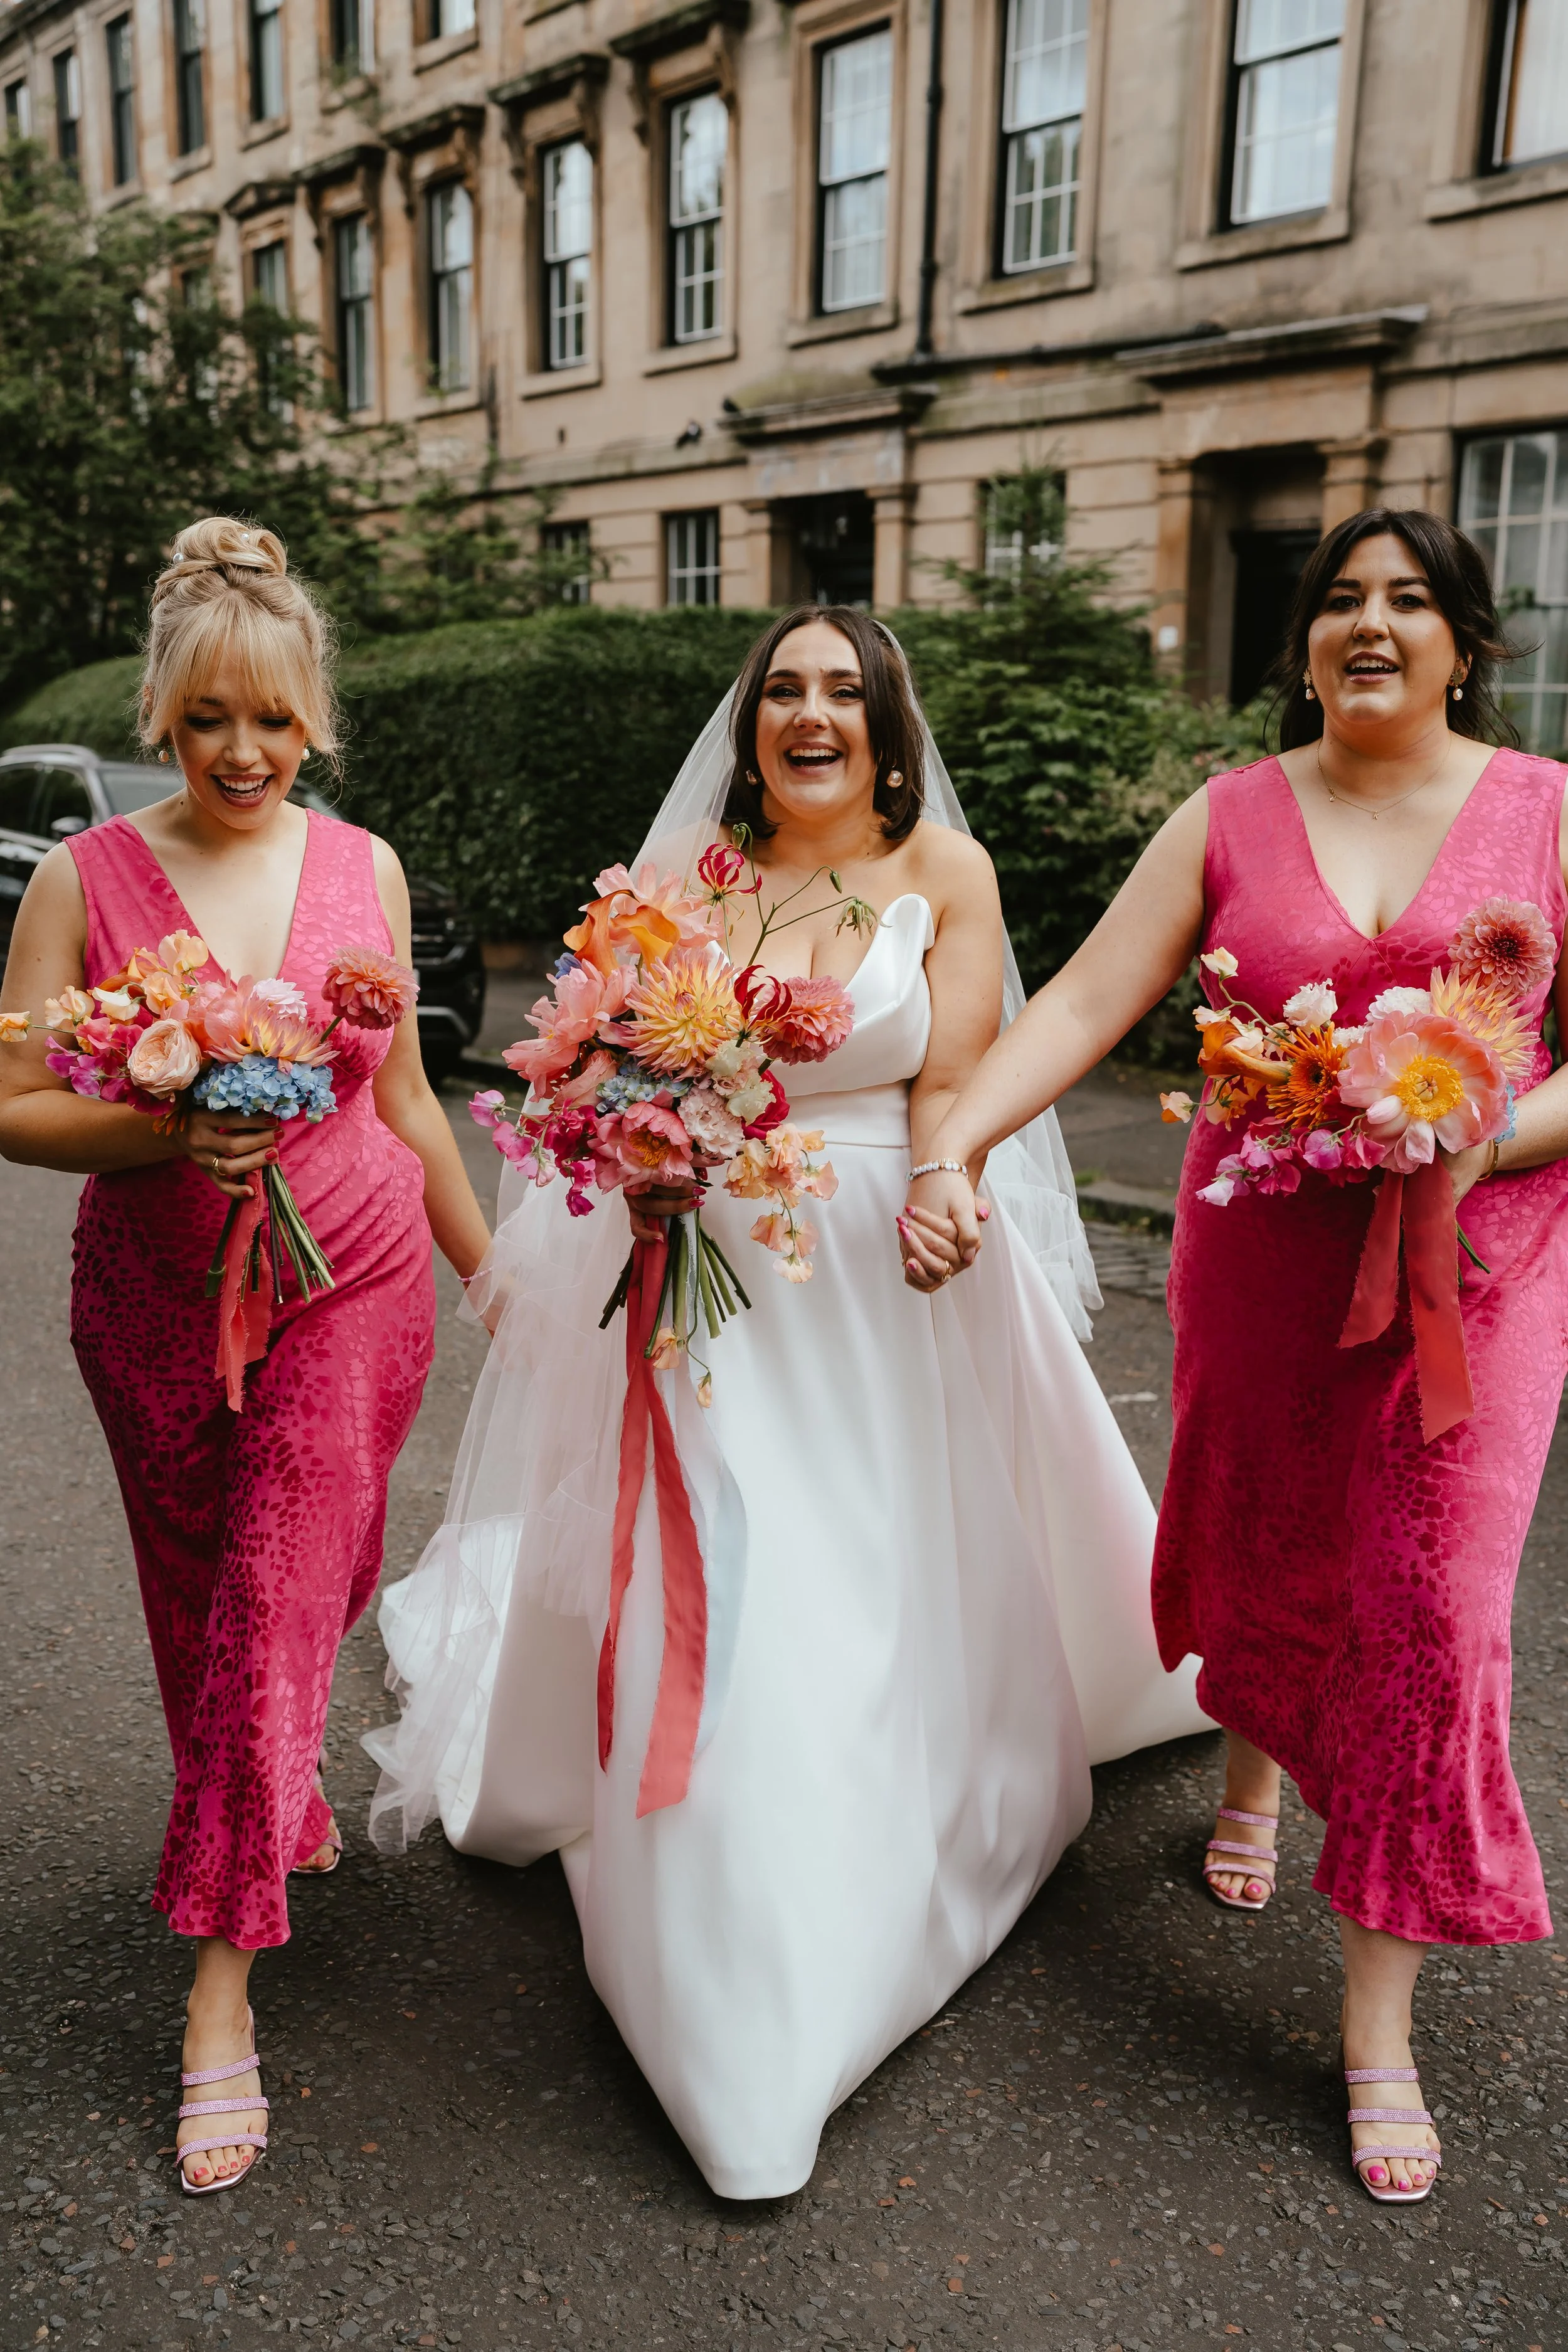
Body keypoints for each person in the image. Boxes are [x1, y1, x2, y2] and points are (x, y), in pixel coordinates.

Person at [367, 604, 1208, 2200]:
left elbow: (953, 1078)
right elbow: (596, 1067)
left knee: (877, 1577)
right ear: (747, 727)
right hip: (698, 1279)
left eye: (842, 690)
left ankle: (905, 1833)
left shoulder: (938, 878)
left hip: (879, 1275)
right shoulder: (684, 885)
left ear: (888, 726)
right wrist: (625, 1137)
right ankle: (738, 1980)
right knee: (730, 1590)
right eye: (781, 692)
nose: (808, 713)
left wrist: (947, 1185)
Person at [904, 509, 1568, 2206]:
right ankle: (1251, 1763)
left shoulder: (1548, 811)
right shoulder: (1227, 813)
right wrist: (953, 1144)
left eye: (1406, 600)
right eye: (1338, 600)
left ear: (1462, 640)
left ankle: (1372, 2023)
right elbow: (1076, 1005)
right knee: (1269, 1545)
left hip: (1475, 1275)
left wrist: (1484, 1139)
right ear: (1299, 644)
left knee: (1431, 1612)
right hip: (1262, 1264)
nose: (1369, 623)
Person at [0, 517, 492, 2195]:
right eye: (208, 716)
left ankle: (219, 1991)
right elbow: (9, 1103)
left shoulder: (368, 867)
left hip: (348, 1280)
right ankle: (261, 1792)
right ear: (164, 709)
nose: (240, 750)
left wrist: (489, 1270)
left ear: (313, 721)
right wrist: (161, 1127)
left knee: (285, 1590)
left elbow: (409, 1096)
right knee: (213, 1597)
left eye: (270, 720)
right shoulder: (82, 881)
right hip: (148, 1310)